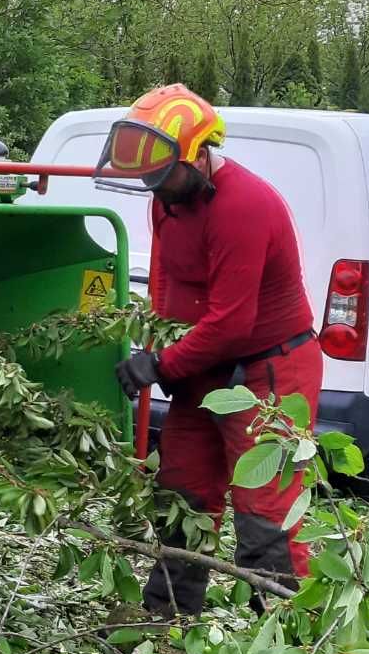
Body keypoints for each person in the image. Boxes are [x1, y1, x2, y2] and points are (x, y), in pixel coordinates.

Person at [96, 83, 321, 615]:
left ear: (198, 154)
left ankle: (289, 640)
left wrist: (161, 364)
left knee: (264, 510)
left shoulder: (245, 205)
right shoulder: (168, 199)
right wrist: (156, 343)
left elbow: (232, 324)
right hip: (202, 371)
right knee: (181, 497)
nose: (153, 187)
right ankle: (166, 625)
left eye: (162, 174)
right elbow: (166, 282)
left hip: (266, 371)